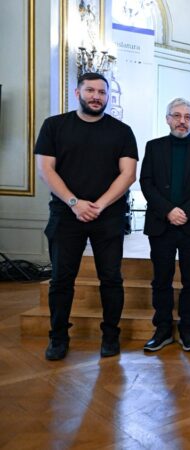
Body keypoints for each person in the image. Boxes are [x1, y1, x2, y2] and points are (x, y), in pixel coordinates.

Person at [34, 72, 138, 360]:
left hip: (108, 216)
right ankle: (57, 338)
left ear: (107, 97)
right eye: (90, 90)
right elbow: (46, 170)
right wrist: (74, 203)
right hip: (66, 215)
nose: (96, 96)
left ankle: (110, 337)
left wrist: (99, 205)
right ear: (77, 92)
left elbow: (128, 174)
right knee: (61, 281)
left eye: (102, 92)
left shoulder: (122, 131)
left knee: (111, 279)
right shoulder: (54, 126)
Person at [140, 98, 190, 352]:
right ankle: (162, 329)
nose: (182, 121)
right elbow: (146, 183)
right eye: (177, 116)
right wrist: (168, 211)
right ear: (167, 119)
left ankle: (186, 329)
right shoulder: (153, 147)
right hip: (161, 225)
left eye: (188, 117)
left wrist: (184, 212)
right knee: (161, 280)